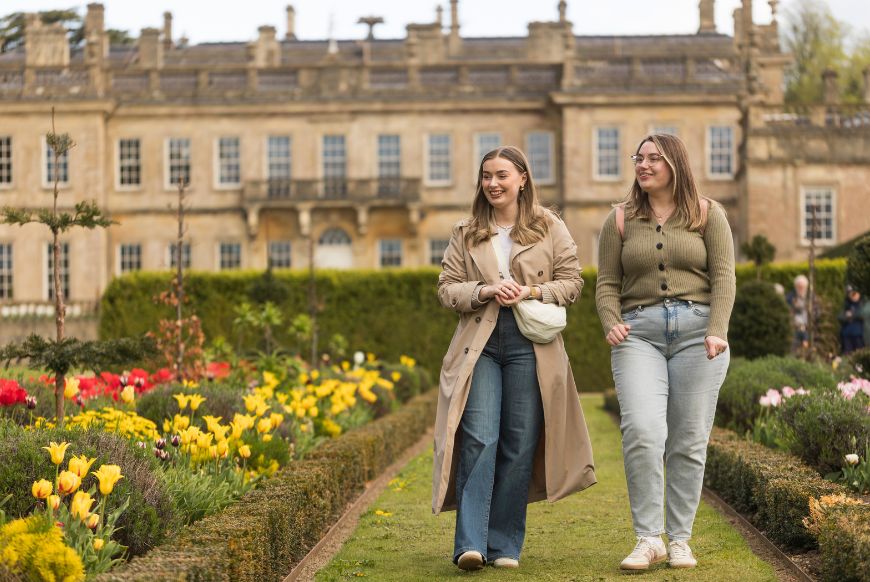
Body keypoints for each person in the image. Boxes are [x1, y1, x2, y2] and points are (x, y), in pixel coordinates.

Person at [433, 145, 596, 571]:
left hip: (531, 344)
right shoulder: (466, 230)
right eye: (486, 176)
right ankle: (470, 543)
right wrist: (485, 291)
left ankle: (504, 544)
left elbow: (573, 282)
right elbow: (448, 288)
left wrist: (531, 291)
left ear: (522, 178)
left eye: (501, 175)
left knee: (519, 443)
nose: (492, 184)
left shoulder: (549, 226)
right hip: (481, 342)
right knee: (480, 436)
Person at [595, 134, 735, 571]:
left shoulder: (709, 215)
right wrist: (610, 320)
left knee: (689, 441)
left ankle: (679, 540)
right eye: (640, 157)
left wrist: (717, 330)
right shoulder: (618, 220)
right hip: (639, 336)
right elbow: (606, 283)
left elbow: (724, 277)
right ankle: (648, 537)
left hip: (699, 335)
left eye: (655, 157)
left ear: (676, 164)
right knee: (643, 432)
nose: (644, 164)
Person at [785, 274, 810, 352]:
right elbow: (786, 310)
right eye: (799, 287)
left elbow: (817, 312)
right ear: (795, 287)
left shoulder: (810, 297)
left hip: (808, 326)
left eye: (803, 287)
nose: (801, 289)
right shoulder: (790, 297)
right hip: (795, 326)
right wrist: (794, 307)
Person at [839, 284, 865, 354]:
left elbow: (863, 314)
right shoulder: (846, 304)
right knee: (847, 355)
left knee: (859, 355)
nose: (851, 295)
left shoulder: (862, 303)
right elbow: (840, 316)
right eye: (849, 293)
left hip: (858, 335)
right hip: (846, 335)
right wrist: (846, 316)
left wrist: (852, 315)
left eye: (853, 293)